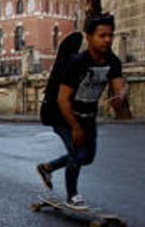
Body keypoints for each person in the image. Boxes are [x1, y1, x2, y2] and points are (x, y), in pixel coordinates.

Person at [36, 14, 128, 211]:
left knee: (87, 157)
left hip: (88, 116)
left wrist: (120, 97)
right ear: (89, 37)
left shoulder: (112, 61)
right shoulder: (76, 62)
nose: (107, 40)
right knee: (77, 154)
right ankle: (72, 196)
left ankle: (47, 168)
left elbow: (120, 85)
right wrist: (75, 127)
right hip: (63, 115)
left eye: (110, 35)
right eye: (102, 36)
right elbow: (62, 98)